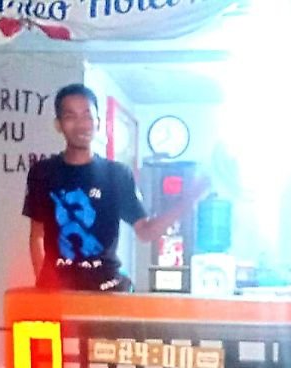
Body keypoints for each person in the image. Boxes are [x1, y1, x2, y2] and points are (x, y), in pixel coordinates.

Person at [23, 83, 206, 291]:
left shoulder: (117, 174)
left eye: (87, 116)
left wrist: (189, 199)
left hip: (107, 288)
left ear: (98, 123)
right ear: (58, 124)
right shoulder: (42, 172)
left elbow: (146, 232)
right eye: (70, 116)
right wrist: (44, 288)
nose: (81, 124)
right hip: (58, 291)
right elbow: (36, 235)